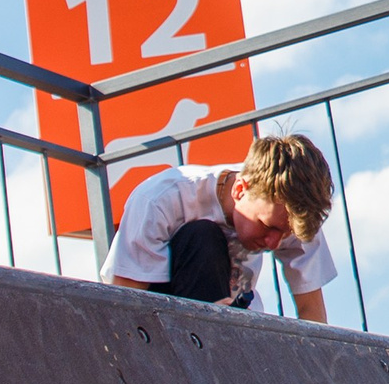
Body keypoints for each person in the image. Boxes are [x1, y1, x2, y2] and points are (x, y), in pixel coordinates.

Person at [102, 134, 337, 323]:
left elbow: (313, 317)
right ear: (240, 190)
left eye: (285, 234)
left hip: (237, 328)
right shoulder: (161, 199)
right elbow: (123, 307)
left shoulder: (293, 216)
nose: (273, 243)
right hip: (161, 320)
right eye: (267, 227)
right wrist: (210, 318)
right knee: (202, 236)